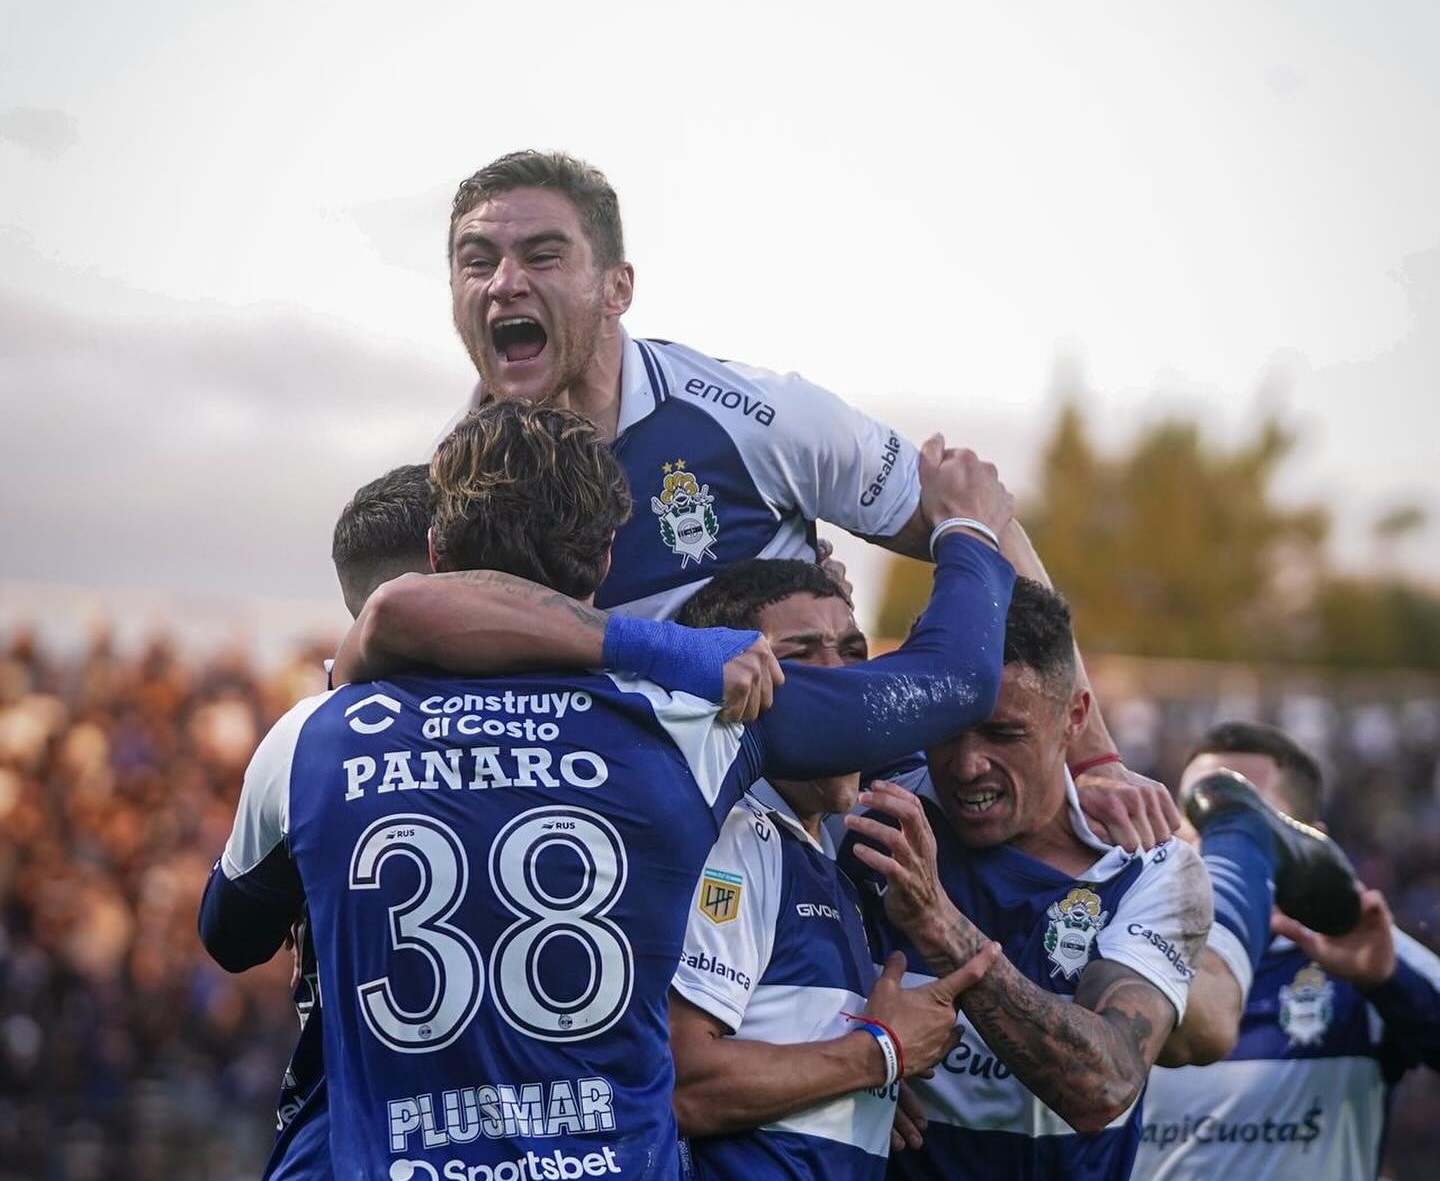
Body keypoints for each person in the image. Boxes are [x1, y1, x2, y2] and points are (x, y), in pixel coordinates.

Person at [200, 402, 1015, 1181]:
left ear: (438, 553)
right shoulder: (695, 724)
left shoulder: (311, 734)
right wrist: (970, 529)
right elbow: (956, 677)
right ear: (605, 563)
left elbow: (231, 936)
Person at [838, 577, 1213, 1181]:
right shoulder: (866, 817)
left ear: (1075, 718)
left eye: (1004, 734)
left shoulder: (1149, 869)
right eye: (948, 726)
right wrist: (857, 1067)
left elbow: (1105, 1083)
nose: (966, 764)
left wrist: (939, 924)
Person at [668, 559, 982, 1180]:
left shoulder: (821, 853)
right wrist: (878, 1057)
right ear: (742, 684)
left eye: (853, 652)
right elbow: (683, 1084)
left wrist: (848, 1092)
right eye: (804, 655)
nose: (846, 686)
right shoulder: (735, 835)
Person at [1135, 721, 1440, 1181]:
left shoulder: (1366, 957)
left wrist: (1390, 980)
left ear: (1309, 846)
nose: (1217, 846)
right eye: (1197, 818)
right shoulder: (1134, 957)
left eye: (1245, 821)